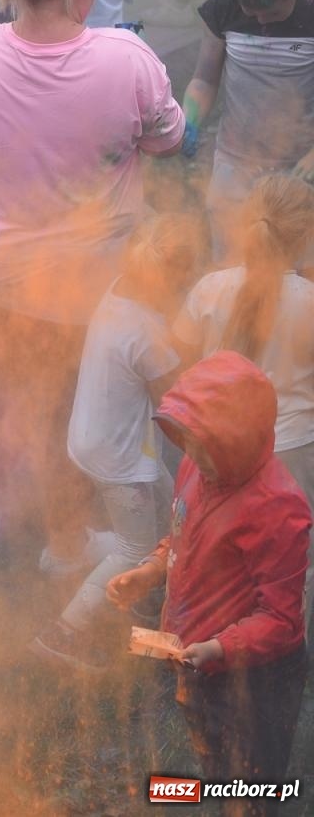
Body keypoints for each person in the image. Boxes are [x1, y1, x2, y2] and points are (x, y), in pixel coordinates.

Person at [0, 0, 185, 551]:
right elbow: (168, 139)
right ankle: (64, 542)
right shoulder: (128, 59)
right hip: (87, 277)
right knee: (75, 392)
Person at [107, 353, 310, 810]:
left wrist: (220, 649)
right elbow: (183, 531)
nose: (191, 455)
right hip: (199, 660)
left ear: (240, 441)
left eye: (204, 446)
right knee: (217, 759)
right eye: (188, 443)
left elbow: (281, 619)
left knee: (251, 775)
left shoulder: (277, 507)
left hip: (253, 678)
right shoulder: (199, 468)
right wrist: (150, 571)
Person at [31, 215, 201, 673]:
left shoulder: (119, 291)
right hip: (121, 460)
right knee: (135, 548)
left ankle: (151, 597)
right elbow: (176, 405)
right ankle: (63, 635)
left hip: (95, 437)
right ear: (173, 281)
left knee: (172, 513)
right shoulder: (148, 335)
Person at [174, 176, 314, 593]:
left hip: (213, 446)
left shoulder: (209, 290)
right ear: (304, 235)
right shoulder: (309, 301)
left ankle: (210, 639)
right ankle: (282, 642)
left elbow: (184, 364)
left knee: (215, 552)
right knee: (286, 565)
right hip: (289, 456)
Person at [185, 0, 314, 261]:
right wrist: (188, 123)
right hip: (235, 159)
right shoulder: (223, 8)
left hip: (299, 165)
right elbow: (204, 79)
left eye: (271, 12)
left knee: (297, 263)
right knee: (230, 258)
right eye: (251, 12)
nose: (261, 22)